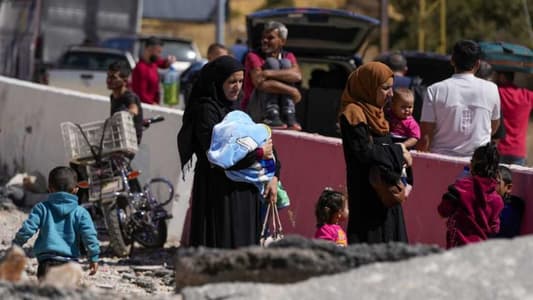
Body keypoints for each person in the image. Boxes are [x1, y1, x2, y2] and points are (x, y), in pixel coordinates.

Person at [177, 55, 281, 248]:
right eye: (231, 81)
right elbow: (218, 156)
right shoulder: (206, 110)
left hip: (244, 191)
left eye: (241, 81)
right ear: (218, 82)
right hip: (218, 190)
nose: (237, 86)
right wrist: (257, 154)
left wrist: (275, 177)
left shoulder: (237, 109)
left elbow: (262, 140)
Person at [338, 61, 412, 244]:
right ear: (368, 86)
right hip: (367, 197)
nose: (391, 94)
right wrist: (399, 150)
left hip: (385, 195)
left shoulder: (376, 112)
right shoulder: (353, 113)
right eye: (385, 88)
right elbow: (365, 152)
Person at [12, 166, 100, 280]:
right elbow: (90, 236)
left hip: (46, 264)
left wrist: (15, 245)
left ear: (50, 189)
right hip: (71, 266)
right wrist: (94, 257)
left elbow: (27, 229)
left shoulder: (41, 208)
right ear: (76, 189)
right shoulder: (81, 213)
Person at [417, 40, 501, 157]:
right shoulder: (492, 89)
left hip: (442, 163)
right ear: (477, 64)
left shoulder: (434, 90)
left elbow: (425, 136)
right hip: (478, 165)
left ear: (452, 60)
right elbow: (494, 126)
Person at [437, 143, 504, 248]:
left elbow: (443, 211)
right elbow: (494, 228)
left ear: (473, 164)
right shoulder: (497, 200)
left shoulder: (462, 187)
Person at [243, 21, 302, 130]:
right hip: (256, 108)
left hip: (280, 108)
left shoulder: (288, 56)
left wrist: (267, 73)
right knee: (271, 63)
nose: (265, 41)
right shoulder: (253, 56)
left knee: (285, 64)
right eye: (263, 38)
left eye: (270, 38)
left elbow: (297, 75)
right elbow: (260, 84)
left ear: (282, 41)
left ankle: (288, 113)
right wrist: (292, 91)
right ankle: (271, 114)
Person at [494, 71, 533, 165]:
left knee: (495, 179)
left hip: (499, 149)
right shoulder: (527, 95)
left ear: (502, 76)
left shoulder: (498, 92)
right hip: (518, 151)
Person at [180, 43, 230, 107]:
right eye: (220, 57)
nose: (223, 61)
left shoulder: (226, 75)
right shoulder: (200, 74)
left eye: (225, 58)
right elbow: (190, 93)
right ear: (209, 57)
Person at [131, 36, 176, 105]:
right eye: (158, 52)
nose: (159, 55)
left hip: (152, 106)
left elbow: (162, 64)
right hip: (145, 107)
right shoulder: (141, 68)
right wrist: (153, 104)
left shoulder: (153, 63)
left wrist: (168, 61)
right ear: (149, 49)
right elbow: (140, 94)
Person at [383, 52, 426, 122]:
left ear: (387, 68)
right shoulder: (416, 85)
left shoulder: (379, 84)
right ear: (405, 69)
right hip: (408, 130)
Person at [107, 61, 144, 144]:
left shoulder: (128, 96)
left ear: (125, 80)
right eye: (108, 76)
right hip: (118, 140)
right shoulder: (113, 96)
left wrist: (126, 114)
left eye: (113, 77)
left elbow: (134, 109)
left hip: (128, 143)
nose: (109, 80)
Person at [491, 165, 524, 238]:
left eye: (496, 183)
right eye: (488, 181)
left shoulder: (513, 208)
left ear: (508, 188)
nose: (491, 185)